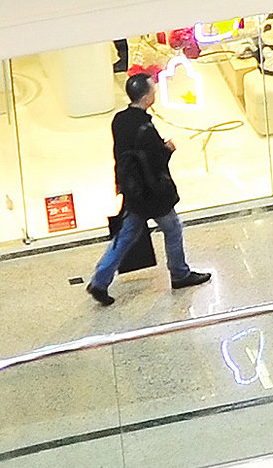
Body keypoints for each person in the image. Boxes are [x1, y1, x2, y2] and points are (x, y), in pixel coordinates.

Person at [84, 72, 212, 304]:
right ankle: (180, 274)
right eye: (153, 90)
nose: (155, 92)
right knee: (172, 229)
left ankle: (100, 280)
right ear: (145, 96)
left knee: (126, 236)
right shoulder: (145, 127)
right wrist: (168, 149)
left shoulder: (120, 120)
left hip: (133, 192)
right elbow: (154, 160)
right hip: (152, 193)